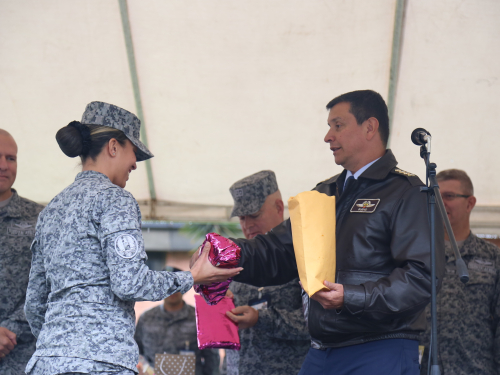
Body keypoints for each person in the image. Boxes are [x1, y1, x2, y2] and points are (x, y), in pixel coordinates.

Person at [202, 90, 445, 375]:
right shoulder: (324, 193)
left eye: (337, 125)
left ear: (370, 127)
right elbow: (280, 251)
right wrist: (225, 252)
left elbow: (423, 277)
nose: (328, 136)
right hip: (322, 351)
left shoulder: (407, 192)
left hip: (380, 349)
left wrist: (352, 296)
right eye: (329, 127)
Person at [24, 102, 241, 375]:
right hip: (101, 364)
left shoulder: (51, 210)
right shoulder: (115, 199)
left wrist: (59, 344)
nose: (135, 164)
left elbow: (34, 303)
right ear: (113, 147)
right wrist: (192, 276)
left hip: (47, 362)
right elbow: (129, 283)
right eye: (133, 152)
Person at [224, 170, 310, 375]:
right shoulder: (238, 261)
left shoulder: (304, 257)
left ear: (279, 207)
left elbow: (316, 324)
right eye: (242, 218)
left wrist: (261, 318)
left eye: (254, 215)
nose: (247, 225)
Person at [419, 169, 500, 374]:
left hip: (474, 368)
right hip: (420, 367)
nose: (441, 202)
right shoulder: (416, 254)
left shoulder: (492, 257)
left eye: (449, 196)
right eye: (436, 196)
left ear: (470, 203)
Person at [0, 129, 44, 375]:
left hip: (23, 357)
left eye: (11, 158)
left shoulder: (41, 218)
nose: (3, 166)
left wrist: (10, 329)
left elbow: (51, 283)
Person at [135, 266, 220, 375]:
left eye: (177, 286)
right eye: (168, 286)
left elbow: (212, 357)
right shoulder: (146, 318)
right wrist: (145, 369)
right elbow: (136, 352)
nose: (172, 291)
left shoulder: (199, 318)